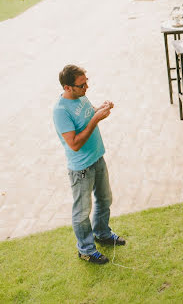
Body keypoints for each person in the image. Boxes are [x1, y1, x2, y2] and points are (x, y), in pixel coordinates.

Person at [53, 65, 126, 265]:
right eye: (81, 84)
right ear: (68, 88)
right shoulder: (60, 112)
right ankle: (85, 250)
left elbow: (89, 113)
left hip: (97, 158)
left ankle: (102, 233)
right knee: (82, 211)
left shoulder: (80, 96)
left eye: (86, 82)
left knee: (104, 199)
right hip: (82, 169)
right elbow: (74, 144)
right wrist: (95, 119)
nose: (87, 87)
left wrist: (101, 109)